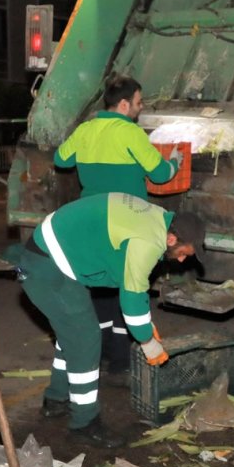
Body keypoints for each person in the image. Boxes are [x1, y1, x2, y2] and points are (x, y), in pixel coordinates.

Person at [2, 191, 207, 449]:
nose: (181, 259)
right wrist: (148, 341)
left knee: (72, 333)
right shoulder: (149, 242)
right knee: (85, 339)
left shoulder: (154, 218)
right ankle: (84, 424)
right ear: (171, 238)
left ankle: (56, 400)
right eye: (182, 252)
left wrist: (146, 324)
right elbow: (132, 301)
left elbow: (129, 281)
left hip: (48, 254)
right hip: (48, 266)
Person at [53, 75, 183, 386]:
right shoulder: (131, 133)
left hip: (92, 222)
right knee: (128, 284)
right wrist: (176, 160)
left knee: (98, 288)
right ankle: (122, 361)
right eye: (139, 102)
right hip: (126, 224)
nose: (141, 108)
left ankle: (98, 356)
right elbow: (161, 174)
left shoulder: (85, 130)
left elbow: (61, 158)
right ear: (124, 104)